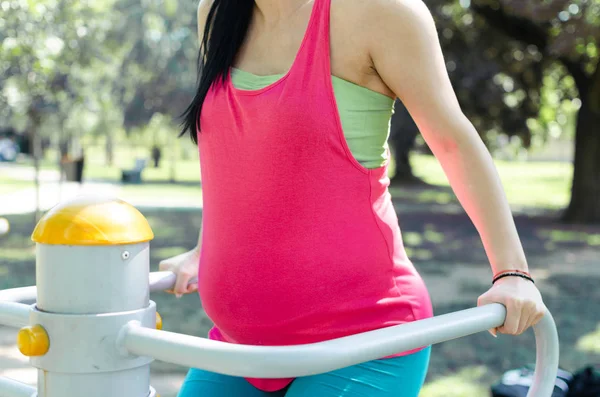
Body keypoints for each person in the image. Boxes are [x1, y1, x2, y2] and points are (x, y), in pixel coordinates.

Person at [159, 0, 547, 396]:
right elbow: (237, 155)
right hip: (238, 349)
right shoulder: (216, 10)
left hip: (363, 342)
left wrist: (511, 272)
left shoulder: (381, 12)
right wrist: (203, 249)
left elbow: (453, 143)